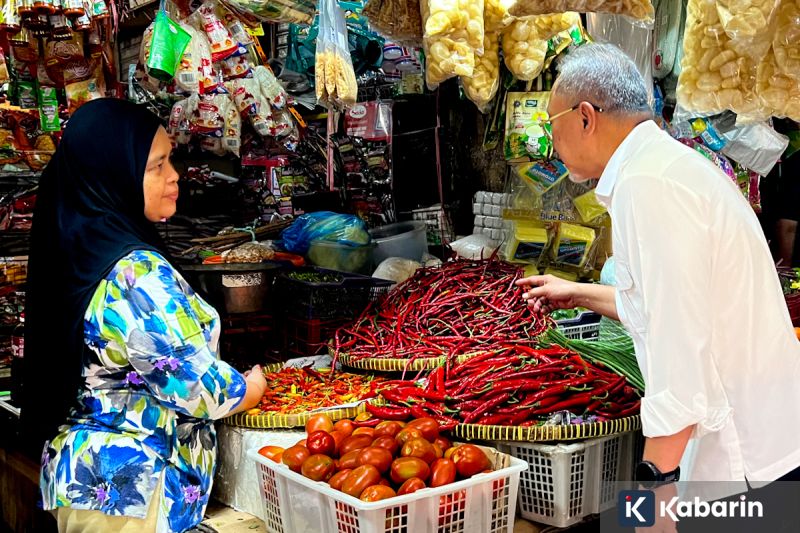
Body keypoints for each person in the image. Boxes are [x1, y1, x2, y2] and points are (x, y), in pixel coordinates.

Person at [517, 44, 800, 492]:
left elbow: (679, 354)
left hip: (743, 462)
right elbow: (671, 305)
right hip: (762, 447)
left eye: (552, 124)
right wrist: (578, 292)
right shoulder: (664, 169)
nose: (552, 141)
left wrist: (654, 491)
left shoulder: (650, 186)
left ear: (586, 116)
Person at [20, 99, 268, 532]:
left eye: (170, 160)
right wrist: (249, 389)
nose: (174, 176)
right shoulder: (134, 271)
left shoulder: (79, 244)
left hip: (90, 482)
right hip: (130, 489)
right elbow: (196, 388)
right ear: (115, 173)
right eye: (157, 165)